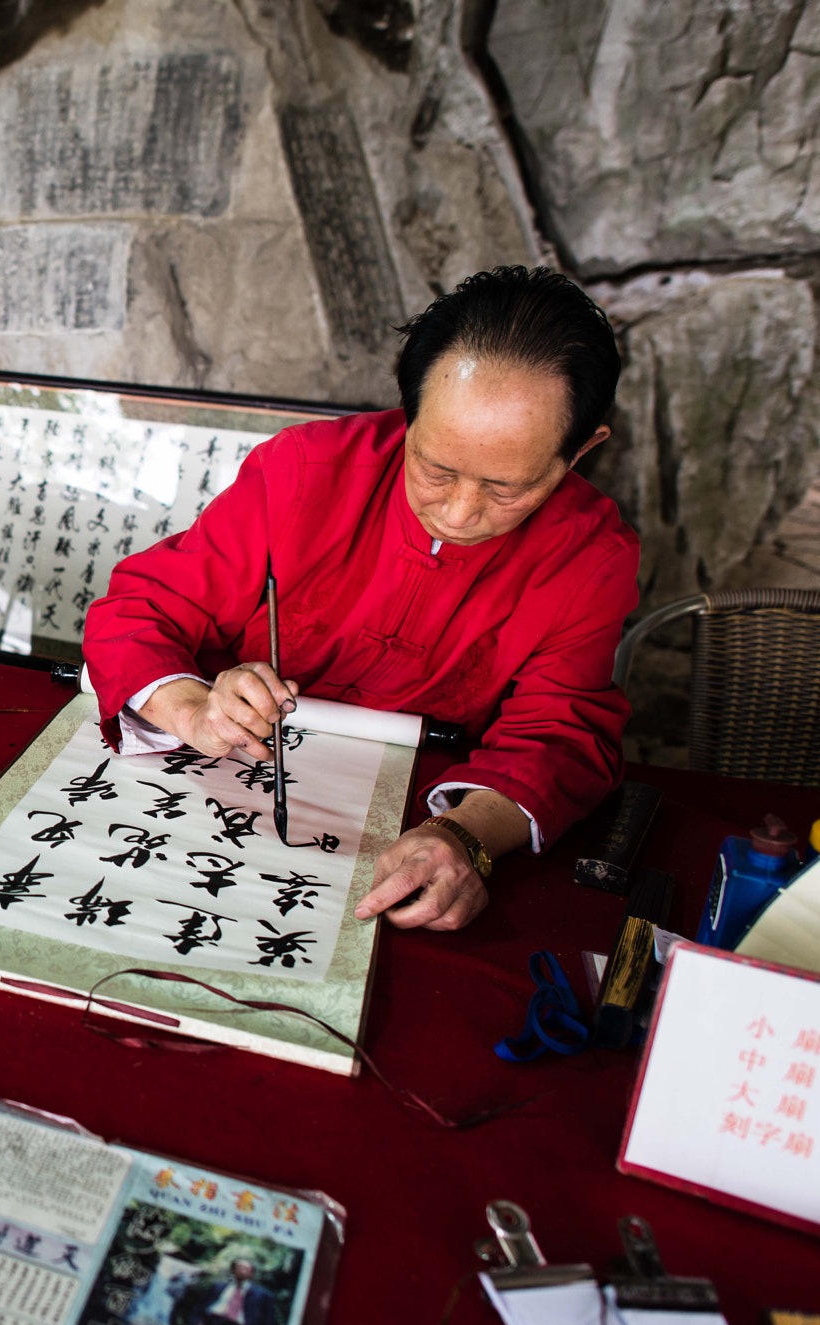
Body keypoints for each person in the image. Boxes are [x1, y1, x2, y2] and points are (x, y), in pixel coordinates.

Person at [83, 266, 639, 932]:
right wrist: (193, 706)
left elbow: (560, 730)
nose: (459, 513)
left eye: (504, 488)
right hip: (213, 789)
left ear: (579, 451)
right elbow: (142, 608)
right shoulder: (303, 472)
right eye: (435, 468)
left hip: (404, 828)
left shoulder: (590, 557)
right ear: (410, 411)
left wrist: (465, 835)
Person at [174, 1259, 278, 1325]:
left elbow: (267, 1323)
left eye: (246, 1269)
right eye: (239, 1267)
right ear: (233, 1270)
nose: (242, 1271)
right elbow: (200, 1307)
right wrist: (197, 1324)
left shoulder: (262, 1295)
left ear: (251, 1273)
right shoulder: (218, 1287)